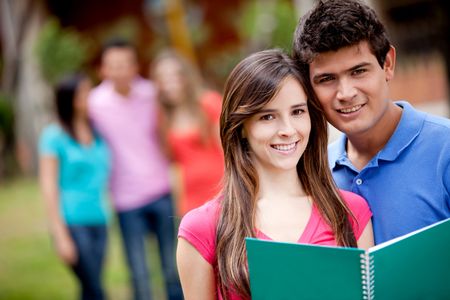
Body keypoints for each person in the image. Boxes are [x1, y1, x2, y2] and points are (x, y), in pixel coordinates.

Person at [176, 49, 374, 300]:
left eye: (297, 112)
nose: (288, 130)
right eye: (268, 116)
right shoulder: (203, 228)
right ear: (241, 128)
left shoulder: (351, 211)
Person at [292, 0, 450, 245]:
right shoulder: (315, 172)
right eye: (327, 79)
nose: (345, 93)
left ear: (387, 64)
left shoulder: (445, 148)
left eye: (358, 71)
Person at [88, 39, 182, 300]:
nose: (120, 71)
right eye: (113, 66)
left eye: (125, 64)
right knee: (139, 272)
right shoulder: (94, 103)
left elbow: (168, 133)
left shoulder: (151, 94)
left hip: (161, 190)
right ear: (103, 70)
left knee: (171, 266)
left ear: (135, 66)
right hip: (125, 200)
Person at [39, 74, 110, 300]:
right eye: (83, 93)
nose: (90, 97)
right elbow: (49, 187)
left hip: (99, 219)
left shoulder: (98, 131)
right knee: (96, 290)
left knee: (90, 287)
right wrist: (60, 235)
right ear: (69, 99)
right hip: (72, 222)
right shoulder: (53, 136)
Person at [150, 49, 224, 216]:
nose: (169, 84)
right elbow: (174, 165)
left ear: (185, 77)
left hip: (221, 190)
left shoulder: (209, 103)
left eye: (174, 76)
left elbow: (228, 151)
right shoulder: (163, 118)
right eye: (162, 78)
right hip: (191, 199)